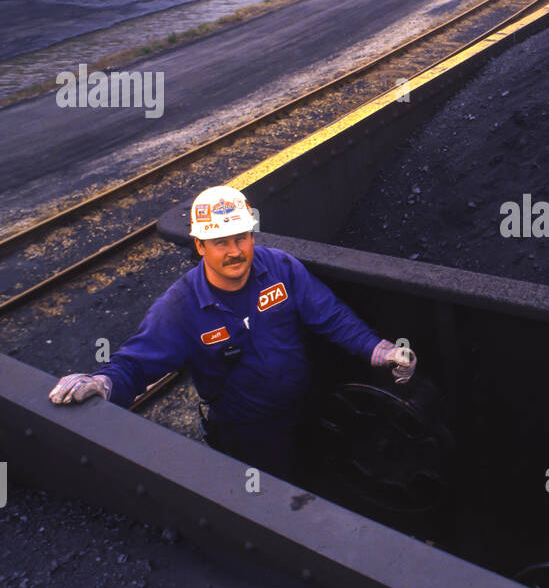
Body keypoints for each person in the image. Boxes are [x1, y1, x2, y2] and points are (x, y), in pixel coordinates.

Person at [49, 185, 415, 478]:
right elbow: (134, 365)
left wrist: (379, 349)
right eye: (221, 242)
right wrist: (102, 383)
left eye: (241, 237)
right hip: (249, 432)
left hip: (308, 406)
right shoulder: (182, 307)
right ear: (200, 246)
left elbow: (330, 316)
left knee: (315, 473)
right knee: (274, 500)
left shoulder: (280, 268)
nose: (235, 251)